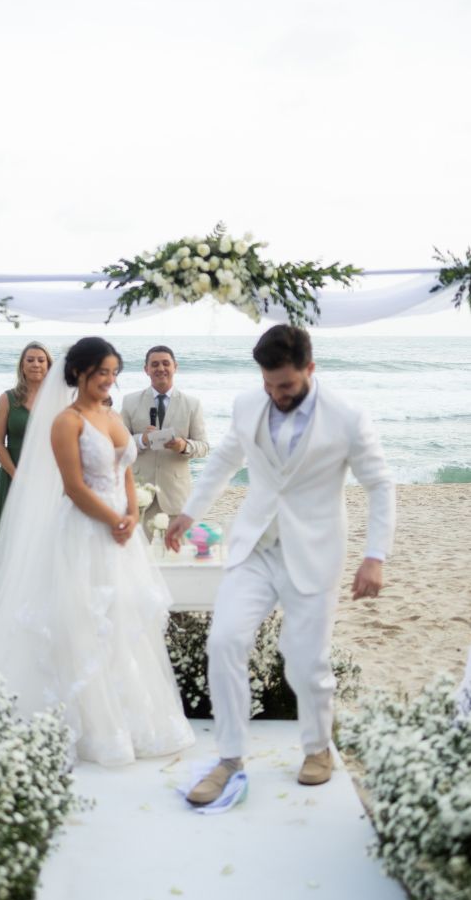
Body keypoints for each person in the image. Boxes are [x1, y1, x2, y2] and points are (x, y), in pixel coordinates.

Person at [169, 325, 394, 805]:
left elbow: (380, 485)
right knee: (225, 640)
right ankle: (229, 757)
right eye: (268, 385)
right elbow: (225, 459)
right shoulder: (250, 403)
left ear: (310, 369)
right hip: (255, 548)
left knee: (304, 660)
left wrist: (374, 556)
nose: (275, 395)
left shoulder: (348, 416)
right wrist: (189, 513)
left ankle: (316, 748)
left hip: (313, 555)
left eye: (285, 386)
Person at [0, 337, 194, 767]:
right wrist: (112, 518)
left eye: (115, 372)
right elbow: (74, 486)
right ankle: (89, 725)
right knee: (82, 619)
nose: (110, 380)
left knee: (122, 619)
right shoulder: (67, 421)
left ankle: (127, 717)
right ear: (81, 373)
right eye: (103, 372)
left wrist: (132, 515)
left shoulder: (111, 416)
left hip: (121, 534)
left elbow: (127, 469)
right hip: (85, 529)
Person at [119, 345, 209, 537]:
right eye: (155, 364)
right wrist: (142, 440)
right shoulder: (129, 401)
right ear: (146, 369)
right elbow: (119, 444)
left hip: (175, 494)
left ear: (175, 366)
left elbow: (203, 447)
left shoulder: (192, 404)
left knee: (176, 554)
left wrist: (183, 446)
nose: (161, 368)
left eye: (166, 363)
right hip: (140, 493)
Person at [0, 341, 51, 538]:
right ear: (22, 366)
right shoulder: (7, 399)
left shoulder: (57, 400)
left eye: (41, 360)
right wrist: (17, 476)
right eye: (30, 360)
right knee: (12, 535)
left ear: (48, 365)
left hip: (48, 476)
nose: (36, 364)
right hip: (13, 475)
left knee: (44, 534)